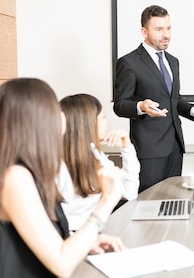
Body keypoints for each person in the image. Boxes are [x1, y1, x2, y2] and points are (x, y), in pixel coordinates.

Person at [0, 78, 125, 278]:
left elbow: (45, 242)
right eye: (54, 109)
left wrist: (86, 242)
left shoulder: (30, 171)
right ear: (39, 120)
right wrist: (107, 201)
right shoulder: (14, 177)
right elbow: (62, 264)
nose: (62, 116)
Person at [114, 5, 194, 192]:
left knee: (171, 202)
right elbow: (120, 105)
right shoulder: (129, 62)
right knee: (147, 204)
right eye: (159, 29)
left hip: (175, 147)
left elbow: (174, 100)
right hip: (149, 150)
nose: (165, 34)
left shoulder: (173, 61)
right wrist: (141, 106)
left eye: (168, 28)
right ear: (144, 31)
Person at [58, 93, 141, 231]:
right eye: (103, 117)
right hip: (78, 237)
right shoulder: (59, 166)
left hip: (96, 231)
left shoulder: (94, 153)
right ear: (88, 123)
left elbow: (129, 193)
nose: (106, 122)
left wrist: (127, 148)